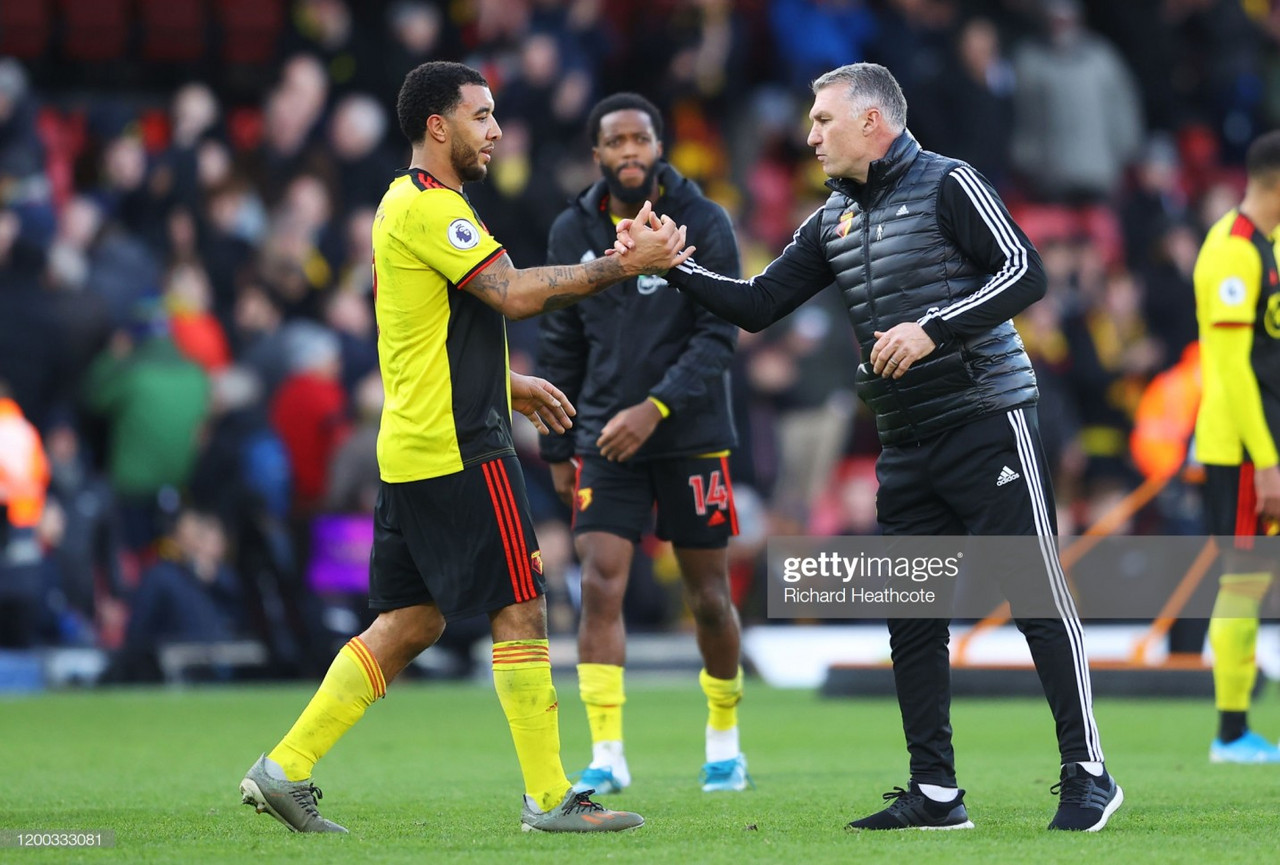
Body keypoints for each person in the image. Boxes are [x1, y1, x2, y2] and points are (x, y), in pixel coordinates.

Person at [615, 62, 1120, 832]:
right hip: (903, 437)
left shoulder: (952, 182)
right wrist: (676, 267)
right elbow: (758, 306)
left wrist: (932, 328)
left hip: (986, 415)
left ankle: (1089, 773)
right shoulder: (833, 218)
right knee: (912, 617)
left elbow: (1028, 271)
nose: (809, 134)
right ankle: (936, 791)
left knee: (1035, 594)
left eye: (822, 120)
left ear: (871, 122)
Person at [239, 61, 692, 835]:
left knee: (411, 622)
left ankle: (283, 769)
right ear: (439, 127)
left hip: (414, 446)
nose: (497, 130)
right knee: (521, 604)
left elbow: (419, 337)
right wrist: (625, 265)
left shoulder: (402, 205)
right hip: (460, 448)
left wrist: (507, 384)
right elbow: (513, 293)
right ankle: (550, 796)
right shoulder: (430, 208)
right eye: (482, 116)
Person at [535, 93, 748, 795]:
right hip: (604, 434)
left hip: (687, 434)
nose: (629, 152)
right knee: (599, 584)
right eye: (615, 141)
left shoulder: (705, 221)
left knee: (710, 597)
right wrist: (562, 446)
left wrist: (655, 408)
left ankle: (724, 739)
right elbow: (561, 340)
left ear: (660, 146)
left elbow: (719, 336)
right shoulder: (573, 230)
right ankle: (606, 751)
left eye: (641, 138)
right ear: (596, 154)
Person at [1192, 130, 1280, 764]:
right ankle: (1230, 732)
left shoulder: (1269, 248)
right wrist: (1268, 458)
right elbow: (1231, 370)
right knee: (1244, 581)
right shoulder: (1230, 253)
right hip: (1244, 449)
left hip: (1268, 439)